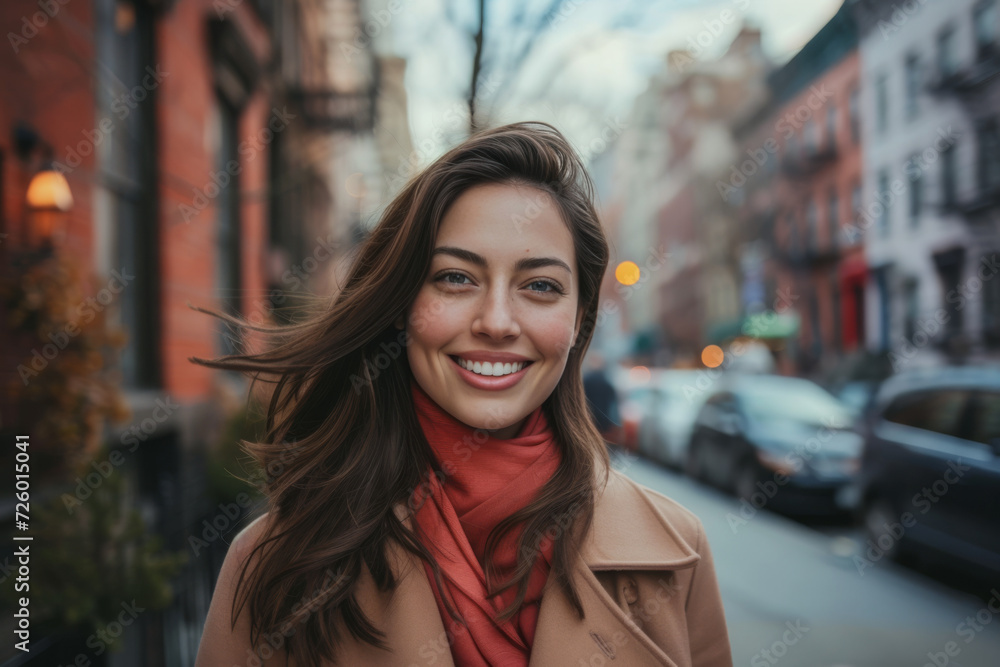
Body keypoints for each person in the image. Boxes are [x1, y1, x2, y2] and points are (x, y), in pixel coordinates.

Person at [192, 121, 732, 667]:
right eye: (456, 278)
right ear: (400, 305)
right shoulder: (278, 562)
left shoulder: (676, 554)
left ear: (579, 320)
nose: (497, 322)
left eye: (540, 286)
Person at [582, 352, 622, 448]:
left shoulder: (586, 380)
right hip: (605, 423)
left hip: (589, 421)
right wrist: (615, 423)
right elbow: (613, 405)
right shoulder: (607, 381)